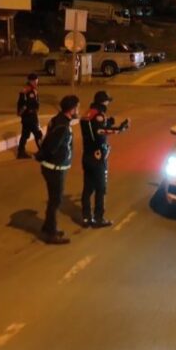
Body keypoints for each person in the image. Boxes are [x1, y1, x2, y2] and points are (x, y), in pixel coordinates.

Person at [80, 91, 129, 228]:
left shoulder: (87, 114)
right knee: (101, 188)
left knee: (87, 188)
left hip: (87, 155)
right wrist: (119, 129)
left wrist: (109, 122)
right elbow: (100, 131)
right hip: (98, 157)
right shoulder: (99, 115)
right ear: (103, 102)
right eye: (107, 101)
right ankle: (99, 218)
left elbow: (95, 128)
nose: (108, 104)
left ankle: (86, 218)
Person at [36, 95, 79, 244]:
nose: (78, 110)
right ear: (72, 109)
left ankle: (48, 226)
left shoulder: (57, 119)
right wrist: (50, 158)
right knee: (56, 201)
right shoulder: (63, 127)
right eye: (77, 108)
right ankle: (51, 234)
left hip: (51, 167)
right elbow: (52, 147)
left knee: (53, 199)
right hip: (55, 168)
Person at [16, 73, 43, 159]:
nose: (36, 82)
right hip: (30, 117)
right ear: (30, 81)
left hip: (26, 117)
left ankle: (21, 152)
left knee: (25, 134)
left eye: (36, 81)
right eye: (35, 81)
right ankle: (42, 152)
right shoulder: (30, 91)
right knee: (38, 134)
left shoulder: (26, 90)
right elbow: (30, 104)